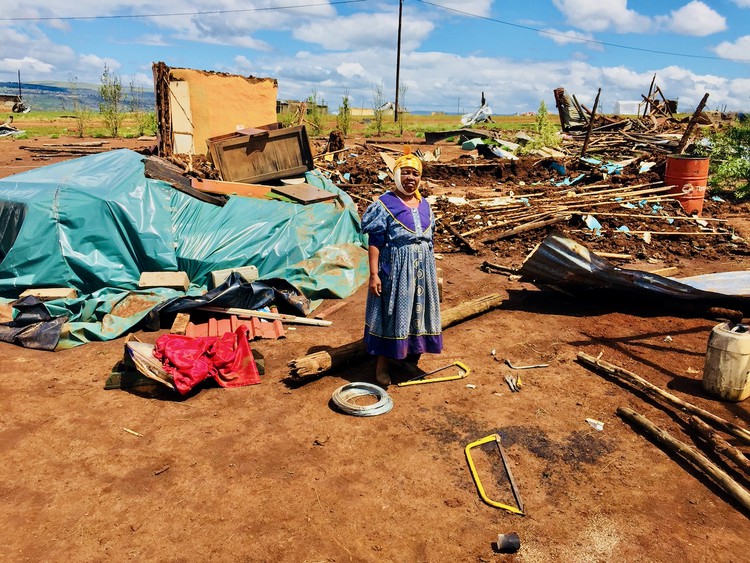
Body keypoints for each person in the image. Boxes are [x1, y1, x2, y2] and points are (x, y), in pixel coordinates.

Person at [361, 152, 443, 386]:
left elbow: (429, 240)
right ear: (396, 175)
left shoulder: (424, 204)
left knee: (418, 314)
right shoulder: (384, 205)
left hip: (421, 272)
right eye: (405, 172)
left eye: (415, 173)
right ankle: (382, 365)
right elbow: (375, 241)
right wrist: (374, 274)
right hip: (395, 271)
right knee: (392, 314)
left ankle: (407, 358)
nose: (410, 178)